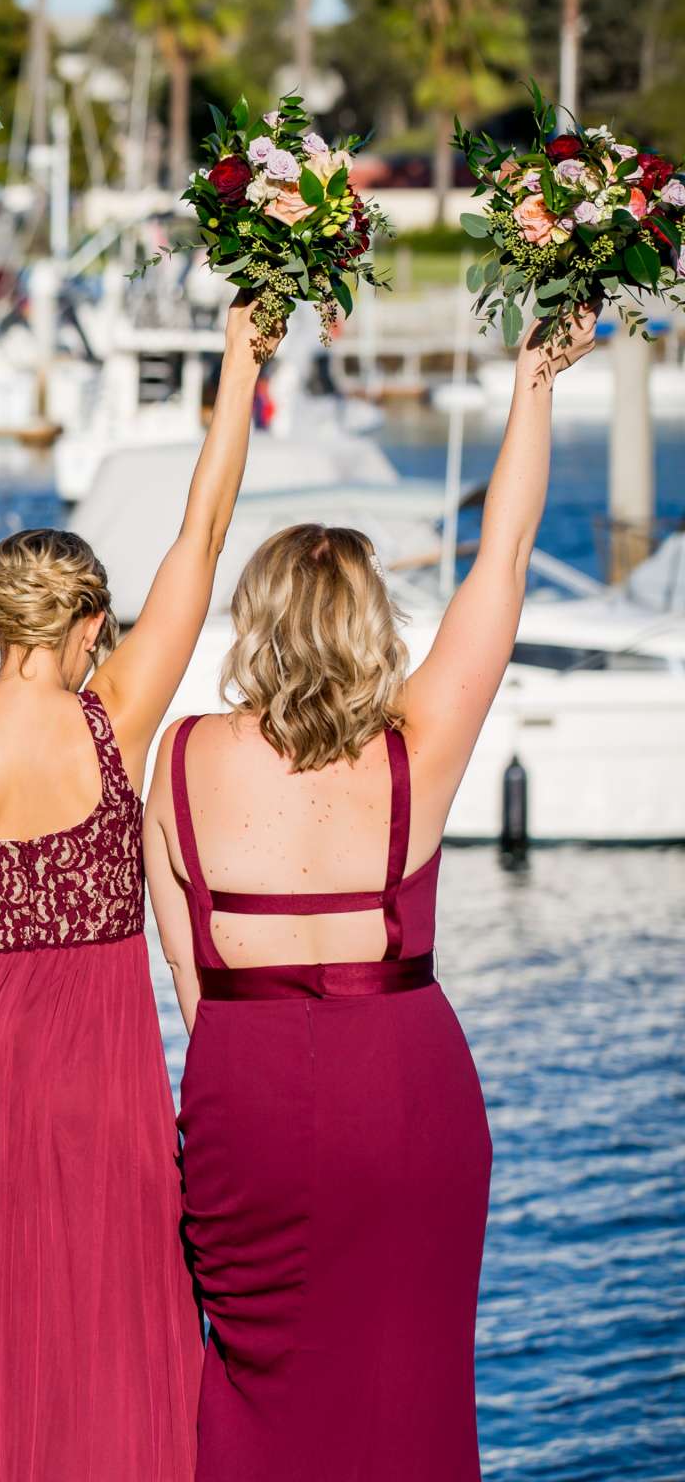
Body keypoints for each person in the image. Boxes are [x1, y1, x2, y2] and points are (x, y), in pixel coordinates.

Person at [145, 316, 591, 1481]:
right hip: (401, 1089)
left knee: (254, 1379)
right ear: (363, 624)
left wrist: (258, 1068)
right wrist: (534, 378)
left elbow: (189, 975)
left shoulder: (181, 757)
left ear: (261, 621)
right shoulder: (418, 750)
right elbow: (505, 554)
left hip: (241, 1088)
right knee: (407, 1385)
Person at [0, 294, 273, 1482]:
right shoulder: (115, 722)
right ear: (89, 624)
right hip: (97, 1079)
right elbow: (202, 533)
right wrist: (241, 355)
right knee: (106, 1350)